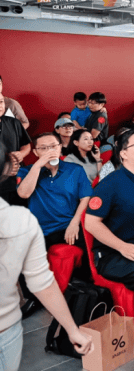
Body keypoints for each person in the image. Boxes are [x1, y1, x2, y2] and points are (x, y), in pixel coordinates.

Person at [0, 144, 93, 371]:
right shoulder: (19, 218)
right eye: (44, 148)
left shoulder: (18, 220)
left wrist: (72, 330)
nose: (50, 151)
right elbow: (23, 193)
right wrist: (72, 330)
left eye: (54, 146)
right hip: (44, 230)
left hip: (7, 329)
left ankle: (86, 294)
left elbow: (42, 280)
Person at [85, 128, 134, 351]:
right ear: (123, 153)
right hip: (112, 254)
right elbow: (91, 223)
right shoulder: (109, 184)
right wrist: (122, 247)